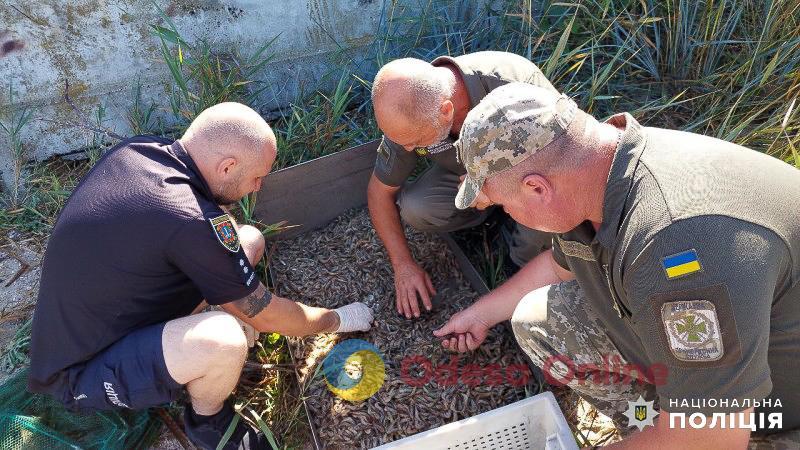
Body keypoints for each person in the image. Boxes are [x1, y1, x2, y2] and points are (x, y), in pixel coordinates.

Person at [435, 83, 800, 448]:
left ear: (536, 188)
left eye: (503, 204)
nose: (509, 214)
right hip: (718, 385)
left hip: (773, 415)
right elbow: (558, 267)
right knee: (537, 320)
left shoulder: (677, 247)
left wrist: (689, 432)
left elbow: (710, 438)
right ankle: (652, 425)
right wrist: (480, 315)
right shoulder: (593, 172)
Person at [27, 102, 374, 450]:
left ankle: (192, 351)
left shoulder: (140, 150)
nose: (257, 188)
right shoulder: (188, 219)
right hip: (79, 371)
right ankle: (208, 422)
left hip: (104, 312)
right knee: (224, 338)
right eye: (257, 177)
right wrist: (338, 319)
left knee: (248, 240)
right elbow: (269, 315)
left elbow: (208, 232)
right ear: (227, 166)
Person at [368, 51, 557, 320]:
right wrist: (403, 265)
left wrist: (494, 186)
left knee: (539, 210)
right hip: (467, 180)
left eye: (414, 140)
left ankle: (522, 271)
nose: (407, 148)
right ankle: (490, 223)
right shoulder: (411, 110)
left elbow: (558, 169)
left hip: (533, 179)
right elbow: (379, 193)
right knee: (416, 206)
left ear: (446, 111)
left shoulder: (515, 88)